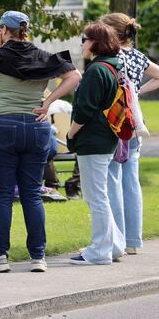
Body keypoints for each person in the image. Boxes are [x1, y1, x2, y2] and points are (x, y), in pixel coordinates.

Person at [0, 11, 80, 273]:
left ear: (4, 31)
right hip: (37, 127)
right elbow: (75, 76)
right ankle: (38, 257)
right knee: (32, 194)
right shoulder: (43, 56)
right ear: (25, 30)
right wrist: (48, 101)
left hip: (3, 127)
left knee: (2, 196)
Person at [67, 22, 127, 265]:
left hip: (93, 141)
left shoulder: (96, 70)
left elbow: (84, 110)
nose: (82, 43)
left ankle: (100, 251)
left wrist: (71, 134)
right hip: (106, 139)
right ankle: (113, 246)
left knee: (96, 197)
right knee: (99, 195)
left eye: (85, 39)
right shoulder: (113, 67)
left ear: (95, 43)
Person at [100, 13, 159, 255]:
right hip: (135, 122)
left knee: (112, 180)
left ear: (111, 32)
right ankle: (133, 240)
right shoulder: (137, 56)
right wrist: (137, 91)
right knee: (131, 182)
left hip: (115, 122)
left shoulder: (111, 57)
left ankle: (118, 240)